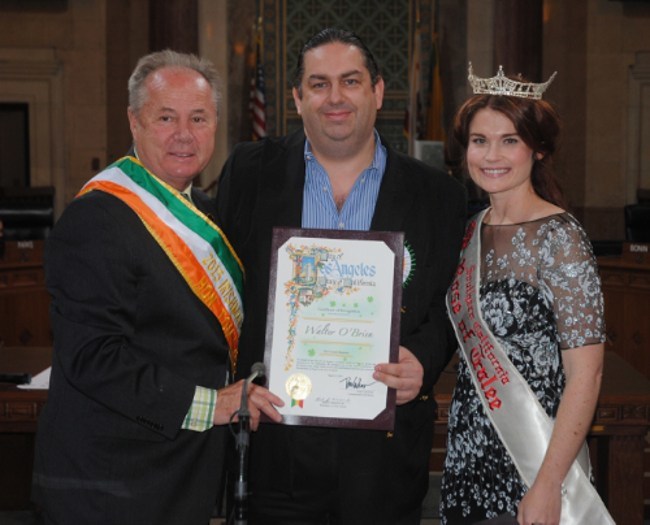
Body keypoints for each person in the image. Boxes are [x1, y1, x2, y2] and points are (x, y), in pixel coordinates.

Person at [216, 28, 467, 524]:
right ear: (297, 97)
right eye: (319, 83)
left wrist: (426, 359)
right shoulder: (248, 172)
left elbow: (449, 303)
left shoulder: (438, 193)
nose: (335, 98)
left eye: (350, 81)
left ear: (376, 92)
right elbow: (217, 289)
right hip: (274, 447)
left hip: (384, 458)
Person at [31, 49, 283, 525]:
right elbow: (93, 358)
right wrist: (216, 404)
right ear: (134, 121)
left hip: (182, 477)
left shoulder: (207, 214)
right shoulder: (95, 219)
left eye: (199, 118)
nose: (184, 135)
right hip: (109, 489)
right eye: (166, 117)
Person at [439, 64, 615, 524]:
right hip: (468, 454)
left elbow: (586, 375)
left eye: (509, 140)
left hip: (533, 459)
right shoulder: (469, 231)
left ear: (537, 149)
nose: (491, 155)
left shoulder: (560, 237)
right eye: (480, 140)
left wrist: (548, 484)